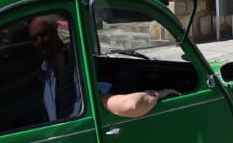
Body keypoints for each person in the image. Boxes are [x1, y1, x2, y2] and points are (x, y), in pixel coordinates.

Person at [28, 14, 172, 121]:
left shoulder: (79, 62)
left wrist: (157, 94)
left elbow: (131, 105)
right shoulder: (46, 69)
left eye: (44, 34)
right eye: (35, 39)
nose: (40, 41)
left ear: (55, 32)